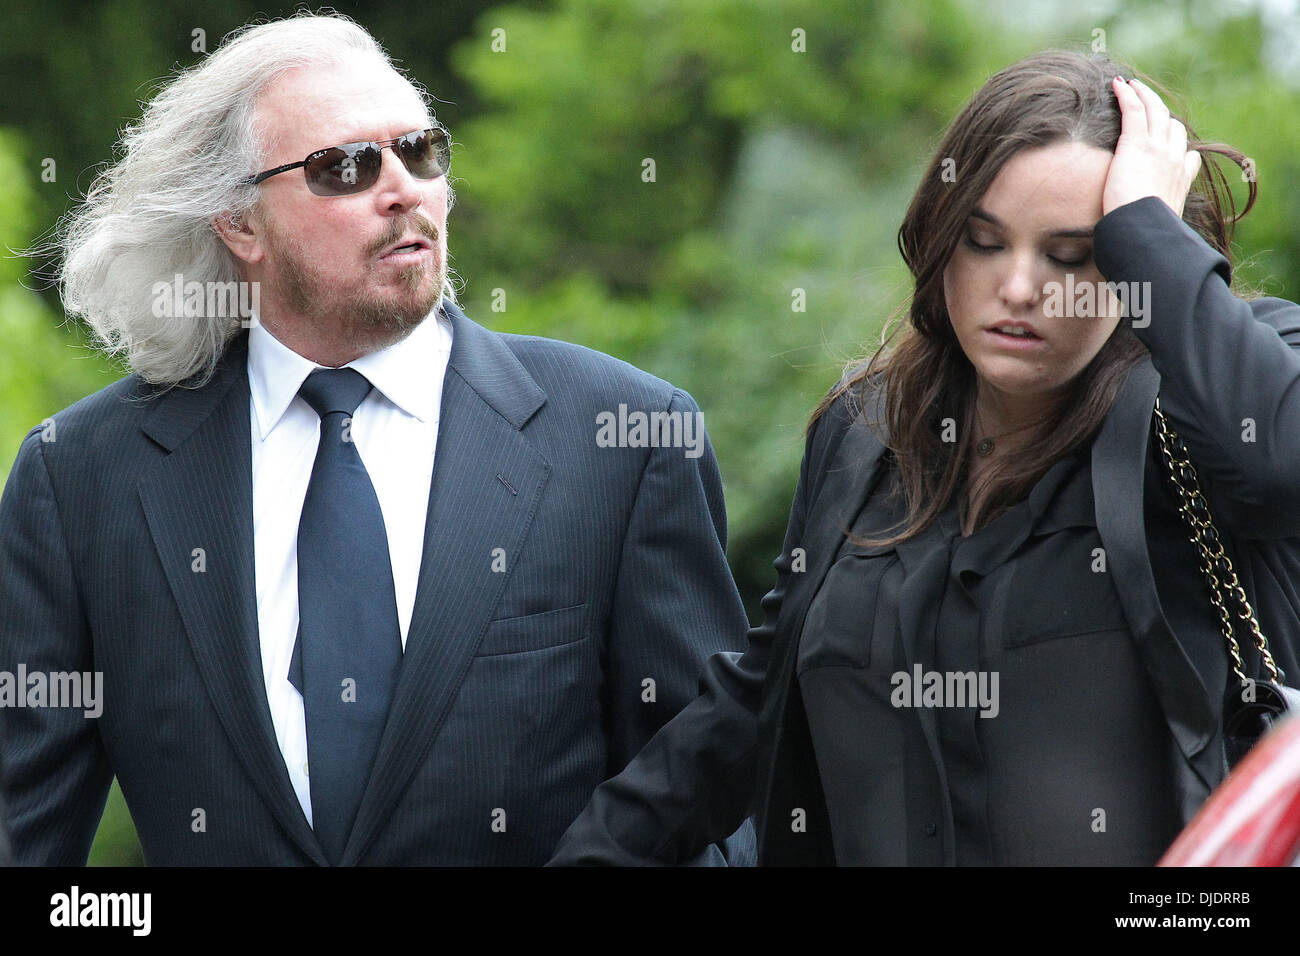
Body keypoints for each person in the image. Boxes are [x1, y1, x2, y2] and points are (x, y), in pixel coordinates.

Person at [0, 13, 754, 866]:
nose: (403, 190)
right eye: (346, 167)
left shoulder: (622, 438)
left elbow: (710, 802)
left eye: (421, 152)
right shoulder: (82, 476)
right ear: (239, 223)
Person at [550, 50, 1300, 865]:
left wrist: (1148, 230)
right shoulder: (864, 430)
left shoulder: (1225, 390)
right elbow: (753, 702)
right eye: (983, 241)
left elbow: (1280, 469)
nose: (1020, 287)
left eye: (1072, 254)